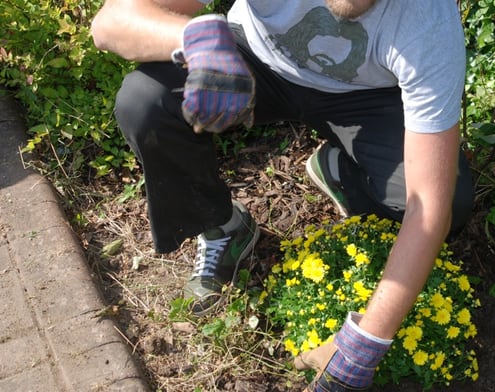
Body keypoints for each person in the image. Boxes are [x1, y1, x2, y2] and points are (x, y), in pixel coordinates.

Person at [91, 0, 474, 390]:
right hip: (258, 61)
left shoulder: (427, 21)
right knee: (145, 102)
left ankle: (340, 170)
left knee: (452, 199)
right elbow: (110, 22)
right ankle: (224, 227)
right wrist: (197, 40)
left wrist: (360, 349)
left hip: (367, 97)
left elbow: (429, 210)